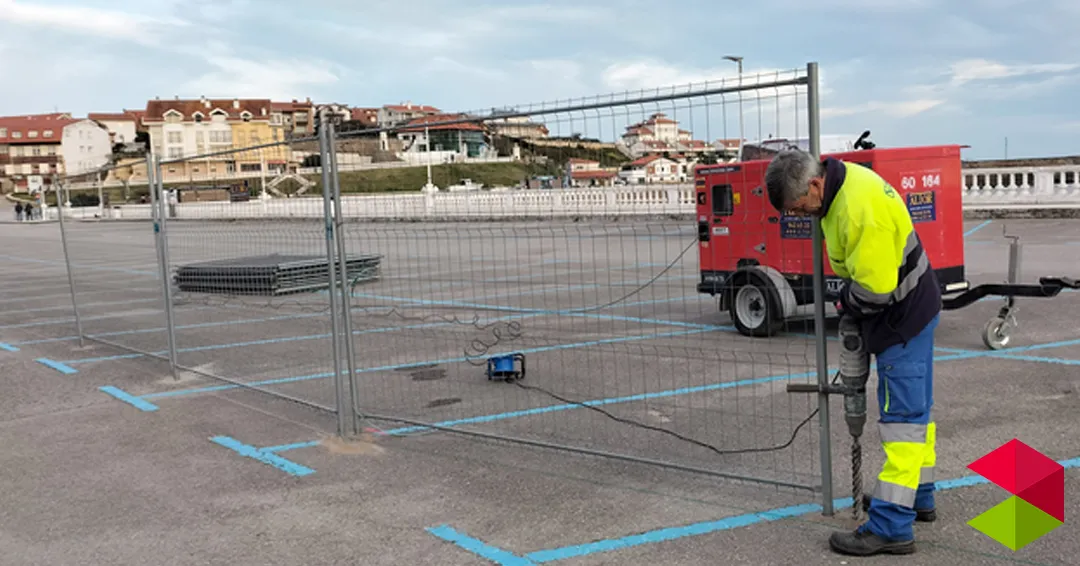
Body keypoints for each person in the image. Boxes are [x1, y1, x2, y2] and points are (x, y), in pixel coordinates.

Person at [764, 149, 941, 556]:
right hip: (912, 308)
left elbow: (875, 291)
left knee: (902, 422)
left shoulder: (860, 210)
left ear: (814, 184)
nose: (800, 215)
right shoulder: (842, 187)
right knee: (916, 414)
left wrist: (845, 306)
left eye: (799, 206)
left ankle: (892, 526)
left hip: (902, 319)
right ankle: (917, 497)